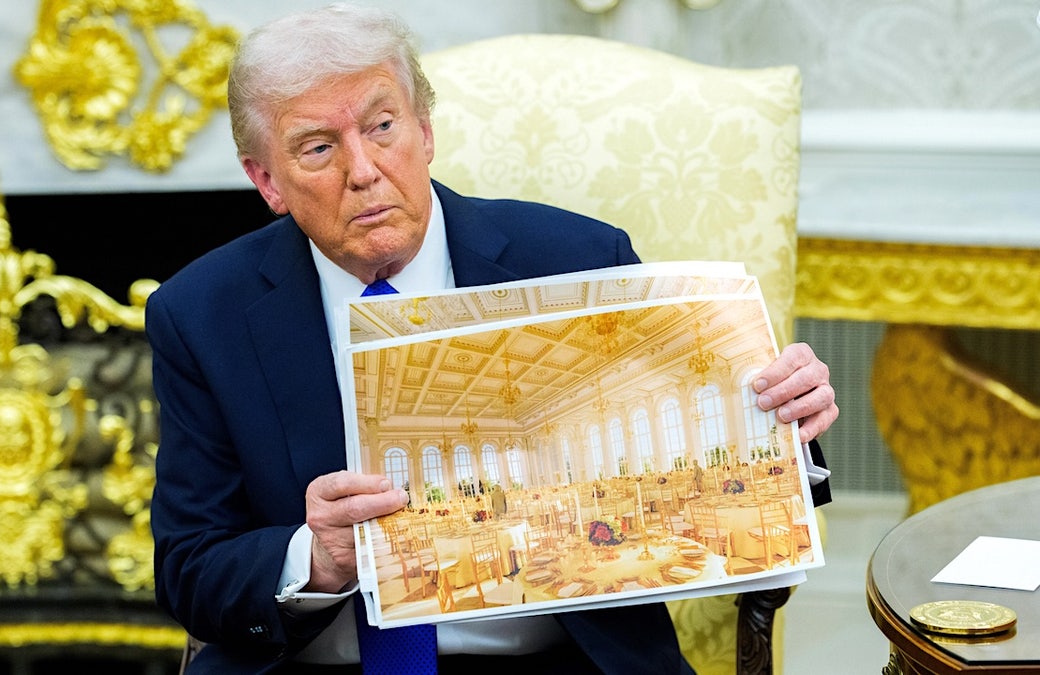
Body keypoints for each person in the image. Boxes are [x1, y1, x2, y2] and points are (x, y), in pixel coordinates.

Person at [146, 4, 838, 674]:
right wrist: (314, 558)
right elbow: (190, 567)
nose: (363, 170)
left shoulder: (579, 259)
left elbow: (695, 448)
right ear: (266, 179)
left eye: (383, 126)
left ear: (425, 130)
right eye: (319, 148)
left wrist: (785, 425)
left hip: (561, 659)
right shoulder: (202, 314)